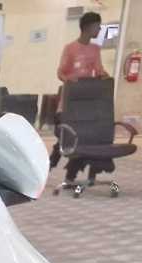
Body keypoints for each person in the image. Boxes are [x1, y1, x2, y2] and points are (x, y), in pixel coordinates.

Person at [50, 12, 111, 166]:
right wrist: (68, 79)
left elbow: (99, 69)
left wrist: (103, 74)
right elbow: (61, 72)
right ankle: (53, 161)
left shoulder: (95, 49)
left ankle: (73, 167)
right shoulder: (70, 48)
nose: (99, 29)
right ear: (88, 27)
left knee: (81, 135)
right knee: (66, 134)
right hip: (71, 98)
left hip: (87, 99)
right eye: (97, 26)